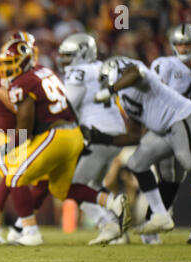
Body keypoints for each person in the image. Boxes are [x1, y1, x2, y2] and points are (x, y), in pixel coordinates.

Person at [0, 38, 131, 243]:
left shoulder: (22, 82)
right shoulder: (44, 71)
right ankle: (111, 202)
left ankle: (30, 232)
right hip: (74, 134)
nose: (7, 67)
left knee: (14, 176)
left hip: (57, 136)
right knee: (61, 188)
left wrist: (13, 143)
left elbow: (25, 123)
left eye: (11, 62)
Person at [91, 55, 191, 235]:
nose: (102, 84)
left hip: (183, 117)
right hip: (165, 130)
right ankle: (160, 215)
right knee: (137, 163)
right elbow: (134, 136)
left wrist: (110, 90)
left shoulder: (136, 74)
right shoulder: (123, 98)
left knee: (189, 162)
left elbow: (137, 73)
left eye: (104, 79)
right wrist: (103, 139)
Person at [0, 31, 50, 246]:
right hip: (3, 135)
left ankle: (18, 226)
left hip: (22, 136)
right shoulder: (7, 70)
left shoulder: (31, 71)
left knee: (36, 179)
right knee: (12, 178)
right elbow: (12, 103)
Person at [57, 33, 128, 245]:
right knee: (95, 185)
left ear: (83, 53)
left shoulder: (79, 71)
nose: (65, 61)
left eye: (69, 55)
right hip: (118, 133)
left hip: (98, 134)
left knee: (72, 186)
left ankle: (108, 224)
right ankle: (120, 227)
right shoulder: (101, 67)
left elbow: (68, 105)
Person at [143, 23, 191, 245]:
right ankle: (152, 222)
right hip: (170, 128)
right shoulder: (163, 65)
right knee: (170, 179)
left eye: (187, 44)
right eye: (179, 44)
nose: (183, 48)